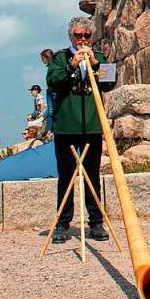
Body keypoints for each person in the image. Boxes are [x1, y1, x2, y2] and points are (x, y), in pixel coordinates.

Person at [46, 16, 114, 244]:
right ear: (71, 37)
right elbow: (53, 81)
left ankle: (96, 222)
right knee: (66, 176)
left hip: (92, 126)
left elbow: (109, 82)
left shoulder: (100, 57)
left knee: (92, 176)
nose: (82, 39)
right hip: (66, 127)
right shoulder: (60, 57)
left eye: (86, 35)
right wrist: (71, 66)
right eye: (78, 35)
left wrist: (95, 64)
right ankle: (63, 224)